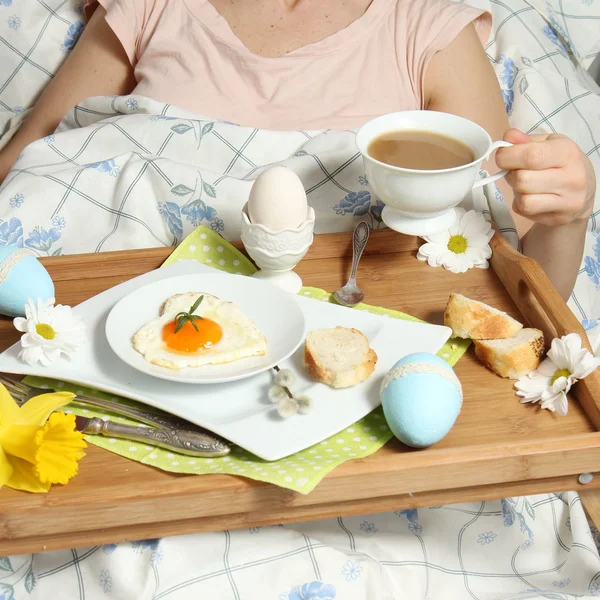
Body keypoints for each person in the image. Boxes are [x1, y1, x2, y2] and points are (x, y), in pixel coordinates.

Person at [0, 0, 596, 300]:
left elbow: (514, 281)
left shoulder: (424, 22)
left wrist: (568, 216)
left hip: (357, 357)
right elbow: (31, 180)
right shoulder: (154, 5)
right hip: (137, 343)